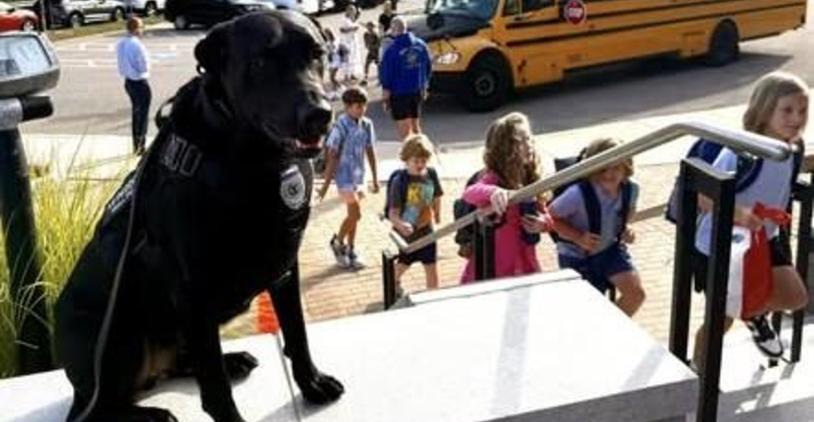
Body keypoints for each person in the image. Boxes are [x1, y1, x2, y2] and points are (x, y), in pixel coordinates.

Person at [691, 72, 809, 367]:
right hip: (723, 246)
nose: (797, 118)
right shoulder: (740, 153)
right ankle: (698, 372)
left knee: (795, 296)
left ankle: (753, 311)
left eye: (803, 110)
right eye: (787, 110)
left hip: (765, 239)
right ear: (764, 109)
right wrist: (740, 214)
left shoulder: (793, 149)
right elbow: (704, 198)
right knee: (722, 318)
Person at [548, 138, 646, 317]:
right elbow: (551, 217)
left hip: (610, 250)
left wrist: (627, 226)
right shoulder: (576, 194)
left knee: (636, 294)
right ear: (591, 169)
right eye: (602, 169)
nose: (609, 174)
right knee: (585, 310)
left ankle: (610, 329)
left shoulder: (631, 190)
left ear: (626, 168)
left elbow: (629, 209)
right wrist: (577, 236)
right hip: (576, 256)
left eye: (616, 168)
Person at [459, 112, 552, 283]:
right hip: (494, 266)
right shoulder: (495, 177)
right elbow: (470, 192)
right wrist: (493, 192)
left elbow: (545, 214)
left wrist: (543, 223)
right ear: (506, 148)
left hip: (525, 263)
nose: (529, 145)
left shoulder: (529, 177)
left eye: (529, 139)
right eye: (521, 140)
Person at [317, 87, 380, 269]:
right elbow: (332, 157)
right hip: (344, 178)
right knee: (356, 213)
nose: (361, 110)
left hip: (359, 177)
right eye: (357, 106)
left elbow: (370, 151)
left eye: (363, 106)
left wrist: (375, 178)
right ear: (347, 107)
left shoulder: (367, 124)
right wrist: (325, 186)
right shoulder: (340, 127)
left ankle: (350, 248)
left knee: (353, 217)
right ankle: (337, 242)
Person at [388, 134, 443, 293]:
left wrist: (437, 213)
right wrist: (400, 224)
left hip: (427, 231)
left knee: (431, 267)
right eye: (416, 161)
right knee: (403, 264)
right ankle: (393, 282)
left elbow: (437, 195)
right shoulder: (400, 182)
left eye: (423, 161)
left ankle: (433, 296)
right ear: (406, 159)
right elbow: (393, 213)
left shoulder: (431, 174)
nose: (420, 165)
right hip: (408, 235)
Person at [380, 16, 432, 140]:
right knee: (415, 126)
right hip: (416, 91)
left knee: (405, 132)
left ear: (393, 30)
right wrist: (425, 85)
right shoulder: (421, 45)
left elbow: (387, 74)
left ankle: (412, 156)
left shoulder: (392, 50)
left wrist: (386, 97)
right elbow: (428, 66)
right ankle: (422, 152)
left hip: (399, 94)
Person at [116, 17, 151, 155]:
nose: (142, 30)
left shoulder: (121, 43)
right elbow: (143, 66)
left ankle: (136, 144)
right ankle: (141, 146)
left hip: (128, 81)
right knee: (143, 115)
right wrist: (144, 69)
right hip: (139, 82)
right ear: (136, 29)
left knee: (136, 114)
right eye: (141, 27)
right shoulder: (137, 45)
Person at [338, 4, 362, 83]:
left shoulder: (352, 20)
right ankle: (346, 76)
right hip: (346, 42)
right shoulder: (344, 19)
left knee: (354, 58)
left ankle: (352, 74)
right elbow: (342, 30)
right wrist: (352, 28)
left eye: (354, 11)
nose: (353, 12)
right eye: (351, 10)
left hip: (353, 41)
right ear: (348, 11)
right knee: (347, 59)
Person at [323, 28, 341, 98]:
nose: (325, 35)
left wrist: (329, 50)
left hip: (336, 60)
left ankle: (339, 88)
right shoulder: (327, 42)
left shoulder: (334, 41)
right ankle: (336, 90)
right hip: (330, 61)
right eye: (325, 34)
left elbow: (334, 50)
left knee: (332, 77)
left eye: (326, 34)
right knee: (331, 78)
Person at [362, 22, 381, 87]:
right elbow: (365, 43)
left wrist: (372, 47)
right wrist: (367, 46)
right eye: (368, 26)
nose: (369, 28)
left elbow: (378, 44)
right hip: (370, 51)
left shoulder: (376, 35)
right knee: (366, 64)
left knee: (378, 66)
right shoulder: (365, 34)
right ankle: (365, 78)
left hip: (376, 52)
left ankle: (380, 79)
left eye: (370, 26)